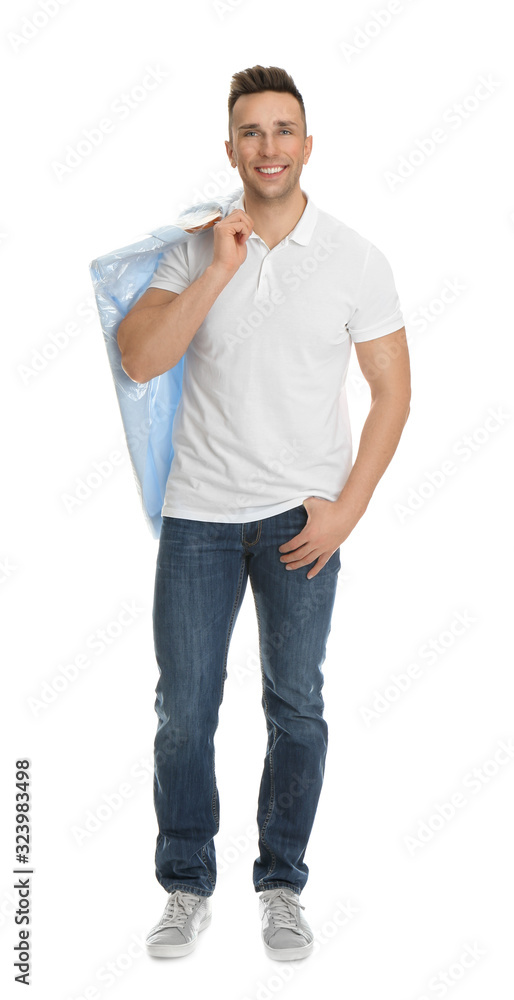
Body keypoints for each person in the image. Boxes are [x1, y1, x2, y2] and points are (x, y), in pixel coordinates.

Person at [117, 64, 411, 962]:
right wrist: (219, 268)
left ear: (307, 145)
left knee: (297, 706)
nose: (269, 147)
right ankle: (185, 884)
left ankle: (281, 883)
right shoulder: (195, 244)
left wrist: (345, 514)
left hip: (300, 521)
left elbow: (392, 393)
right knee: (185, 712)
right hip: (200, 515)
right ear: (231, 147)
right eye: (252, 132)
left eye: (284, 131)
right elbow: (139, 359)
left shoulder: (356, 257)